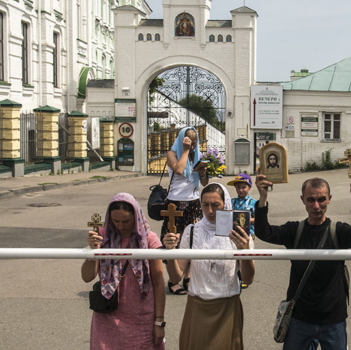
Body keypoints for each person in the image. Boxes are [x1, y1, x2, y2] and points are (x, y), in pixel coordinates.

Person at [254, 173, 351, 350]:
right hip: (300, 318)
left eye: (322, 199)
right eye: (311, 200)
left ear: (330, 199)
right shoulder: (295, 230)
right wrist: (262, 198)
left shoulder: (338, 231)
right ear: (302, 200)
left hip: (333, 319)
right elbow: (265, 233)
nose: (316, 206)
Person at [162, 183, 255, 350]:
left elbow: (248, 279)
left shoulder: (240, 232)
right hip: (198, 307)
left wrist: (244, 250)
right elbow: (176, 277)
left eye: (215, 205)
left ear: (225, 203)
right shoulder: (192, 231)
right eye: (205, 205)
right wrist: (170, 253)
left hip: (227, 308)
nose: (210, 211)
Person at [82, 193, 166, 349]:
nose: (120, 226)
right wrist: (93, 252)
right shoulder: (103, 237)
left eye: (126, 221)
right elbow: (87, 277)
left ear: (136, 217)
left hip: (141, 318)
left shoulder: (148, 239)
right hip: (107, 316)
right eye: (116, 221)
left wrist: (159, 321)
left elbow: (159, 282)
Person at [164, 126, 210, 295]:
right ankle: (173, 280)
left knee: (192, 240)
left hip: (193, 203)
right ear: (182, 139)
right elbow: (178, 169)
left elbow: (204, 183)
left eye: (194, 143)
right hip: (175, 204)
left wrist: (203, 172)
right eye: (188, 142)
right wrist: (184, 150)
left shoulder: (196, 156)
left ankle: (188, 275)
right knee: (174, 241)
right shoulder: (172, 154)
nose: (191, 147)